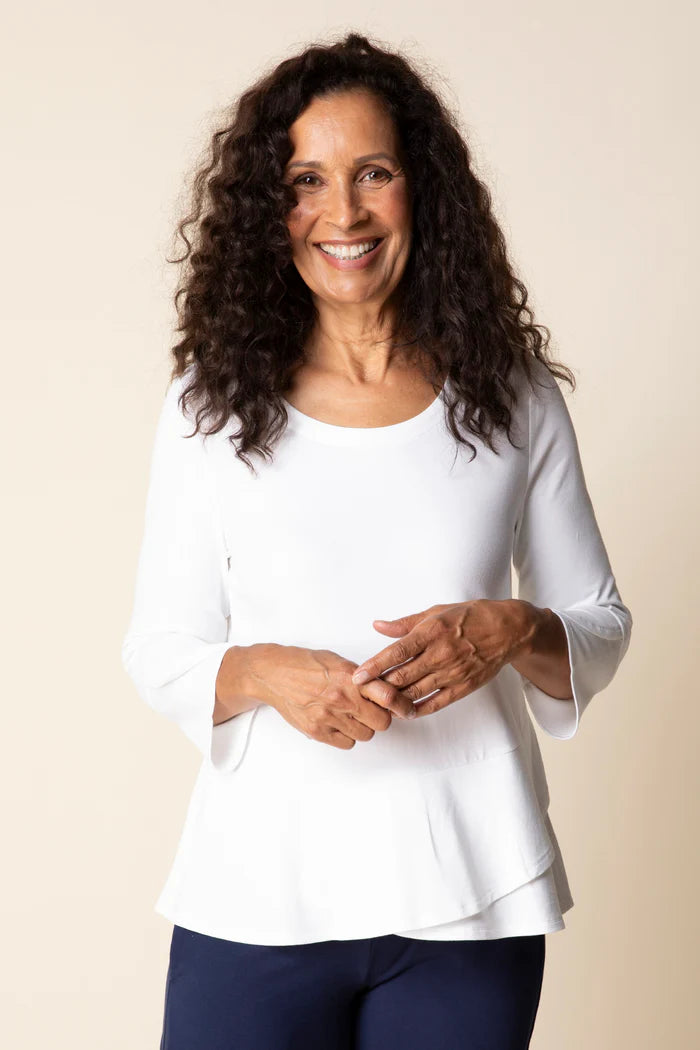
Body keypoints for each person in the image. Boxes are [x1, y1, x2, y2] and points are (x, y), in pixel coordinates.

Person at [121, 31, 633, 1050]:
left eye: (374, 173)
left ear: (421, 191)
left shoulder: (513, 396)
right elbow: (159, 648)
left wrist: (511, 628)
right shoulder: (210, 407)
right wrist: (264, 672)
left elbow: (599, 623)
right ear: (267, 211)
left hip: (473, 894)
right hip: (261, 889)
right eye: (306, 181)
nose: (343, 213)